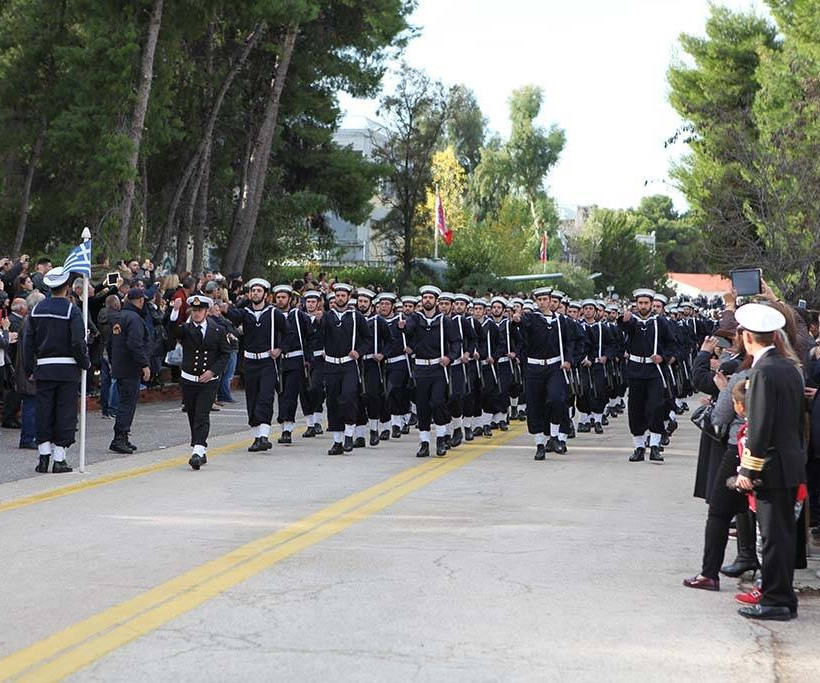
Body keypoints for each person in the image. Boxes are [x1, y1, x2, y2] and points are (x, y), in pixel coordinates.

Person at [733, 303, 806, 621]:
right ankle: (784, 595)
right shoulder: (790, 367)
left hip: (771, 466)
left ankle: (775, 599)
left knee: (774, 537)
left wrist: (749, 469)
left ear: (748, 337)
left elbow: (760, 427)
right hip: (789, 462)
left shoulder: (763, 371)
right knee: (783, 536)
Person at [23, 267, 91, 473]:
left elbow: (28, 343)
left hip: (44, 368)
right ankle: (59, 458)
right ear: (68, 287)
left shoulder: (36, 310)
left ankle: (43, 456)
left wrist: (29, 368)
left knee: (44, 411)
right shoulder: (72, 310)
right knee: (64, 412)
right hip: (67, 369)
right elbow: (78, 342)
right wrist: (84, 362)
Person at [168, 295, 232, 470]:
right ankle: (199, 449)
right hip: (189, 379)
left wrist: (212, 371)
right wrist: (175, 311)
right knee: (192, 413)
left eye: (200, 310)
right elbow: (172, 331)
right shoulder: (186, 329)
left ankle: (197, 450)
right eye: (194, 310)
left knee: (202, 414)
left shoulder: (218, 330)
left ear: (206, 311)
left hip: (209, 381)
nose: (196, 313)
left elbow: (225, 353)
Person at [225, 278, 289, 452]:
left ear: (266, 295)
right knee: (252, 399)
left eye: (259, 291)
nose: (255, 293)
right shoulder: (245, 312)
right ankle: (256, 436)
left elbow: (289, 333)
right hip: (250, 362)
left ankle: (264, 436)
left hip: (268, 361)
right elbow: (231, 315)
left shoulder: (274, 313)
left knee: (265, 397)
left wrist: (280, 349)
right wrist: (223, 308)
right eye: (253, 291)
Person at [512, 287, 575, 460]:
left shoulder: (561, 321)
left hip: (555, 367)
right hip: (534, 368)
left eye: (545, 299)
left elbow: (569, 342)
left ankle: (554, 436)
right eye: (539, 300)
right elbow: (521, 323)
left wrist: (568, 360)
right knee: (535, 406)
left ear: (550, 300)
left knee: (557, 399)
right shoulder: (531, 318)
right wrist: (516, 320)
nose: (542, 302)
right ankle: (540, 443)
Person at [399, 285, 459, 457]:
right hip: (420, 368)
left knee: (438, 402)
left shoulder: (444, 320)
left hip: (438, 368)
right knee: (423, 406)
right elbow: (408, 331)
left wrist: (450, 357)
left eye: (430, 298)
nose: (427, 300)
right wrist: (402, 327)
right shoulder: (415, 319)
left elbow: (456, 341)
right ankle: (424, 442)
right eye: (424, 297)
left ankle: (441, 440)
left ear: (436, 301)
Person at [619, 289, 676, 463]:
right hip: (636, 369)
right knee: (636, 408)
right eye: (640, 303)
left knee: (656, 407)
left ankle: (655, 445)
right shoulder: (632, 321)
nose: (643, 306)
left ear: (652, 304)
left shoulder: (661, 322)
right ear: (636, 304)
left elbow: (672, 344)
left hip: (654, 371)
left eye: (646, 303)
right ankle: (638, 446)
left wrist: (663, 357)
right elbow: (623, 329)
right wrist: (624, 320)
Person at [320, 283, 371, 455]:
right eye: (337, 295)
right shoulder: (327, 316)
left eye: (343, 295)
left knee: (348, 397)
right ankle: (337, 441)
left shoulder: (356, 317)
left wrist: (359, 351)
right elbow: (319, 336)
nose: (340, 298)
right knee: (333, 401)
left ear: (349, 298)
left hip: (349, 364)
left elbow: (367, 339)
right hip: (331, 364)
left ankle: (350, 434)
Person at [108, 288, 151, 454]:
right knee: (127, 403)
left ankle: (123, 436)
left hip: (120, 365)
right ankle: (119, 437)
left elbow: (110, 343)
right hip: (130, 367)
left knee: (125, 401)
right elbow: (135, 343)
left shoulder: (118, 317)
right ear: (140, 301)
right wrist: (144, 364)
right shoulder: (134, 319)